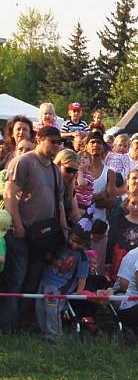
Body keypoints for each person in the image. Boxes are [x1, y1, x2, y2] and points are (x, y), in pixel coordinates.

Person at [1, 126, 68, 331]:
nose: (57, 145)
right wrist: (18, 225)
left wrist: (64, 229)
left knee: (31, 283)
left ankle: (19, 323)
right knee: (16, 281)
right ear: (39, 138)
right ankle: (7, 325)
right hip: (22, 233)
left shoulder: (56, 170)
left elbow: (60, 204)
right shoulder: (23, 162)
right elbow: (10, 195)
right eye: (53, 141)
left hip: (43, 236)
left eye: (59, 142)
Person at [35, 225, 91, 341]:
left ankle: (54, 336)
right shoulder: (61, 246)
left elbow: (82, 277)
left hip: (59, 288)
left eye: (80, 243)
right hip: (45, 280)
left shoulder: (82, 258)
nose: (75, 245)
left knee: (52, 310)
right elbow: (50, 258)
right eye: (73, 240)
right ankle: (44, 332)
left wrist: (78, 292)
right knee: (39, 307)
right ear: (69, 236)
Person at [107, 192, 138, 279]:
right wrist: (108, 260)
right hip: (120, 261)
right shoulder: (119, 220)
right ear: (127, 205)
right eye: (133, 203)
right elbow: (111, 240)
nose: (136, 207)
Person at [54, 149, 82, 226]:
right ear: (58, 165)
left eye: (74, 171)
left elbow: (75, 214)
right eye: (68, 170)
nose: (71, 174)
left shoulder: (69, 187)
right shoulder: (49, 185)